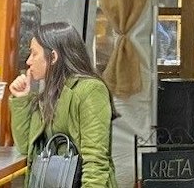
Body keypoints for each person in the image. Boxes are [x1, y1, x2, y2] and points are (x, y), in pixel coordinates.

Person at [9, 21, 116, 188]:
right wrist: (22, 99)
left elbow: (95, 161)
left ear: (53, 57)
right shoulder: (48, 95)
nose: (28, 61)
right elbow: (25, 147)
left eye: (34, 54)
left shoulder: (90, 90)